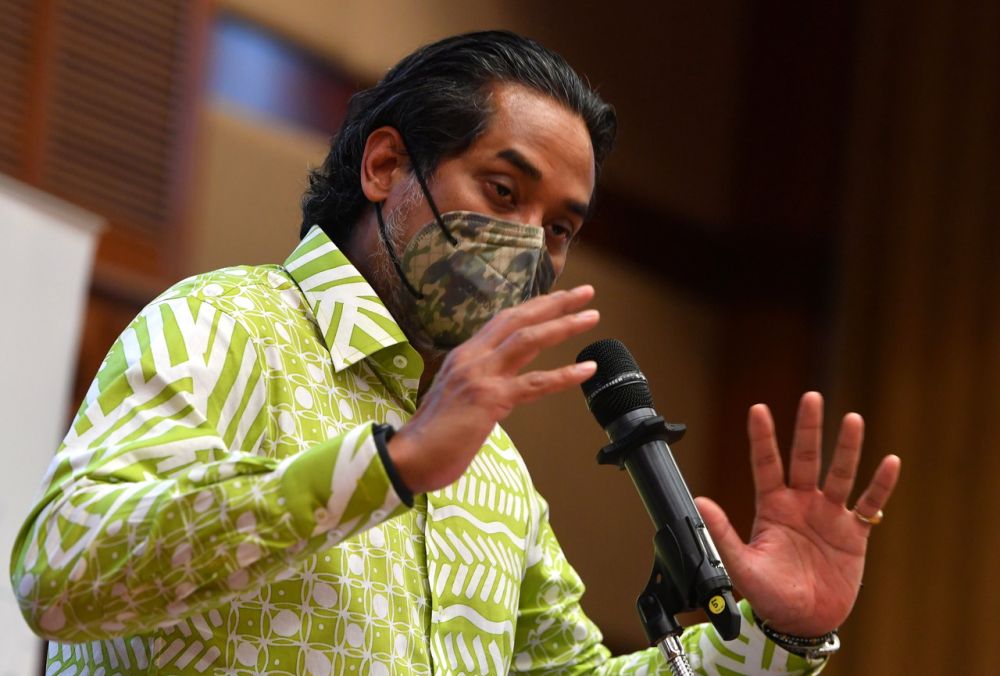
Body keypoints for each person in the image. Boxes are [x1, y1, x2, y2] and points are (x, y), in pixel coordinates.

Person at [11, 31, 900, 674]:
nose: (528, 246)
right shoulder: (226, 324)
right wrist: (386, 469)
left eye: (558, 228)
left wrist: (773, 640)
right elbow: (60, 576)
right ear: (387, 167)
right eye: (502, 190)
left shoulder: (494, 469)